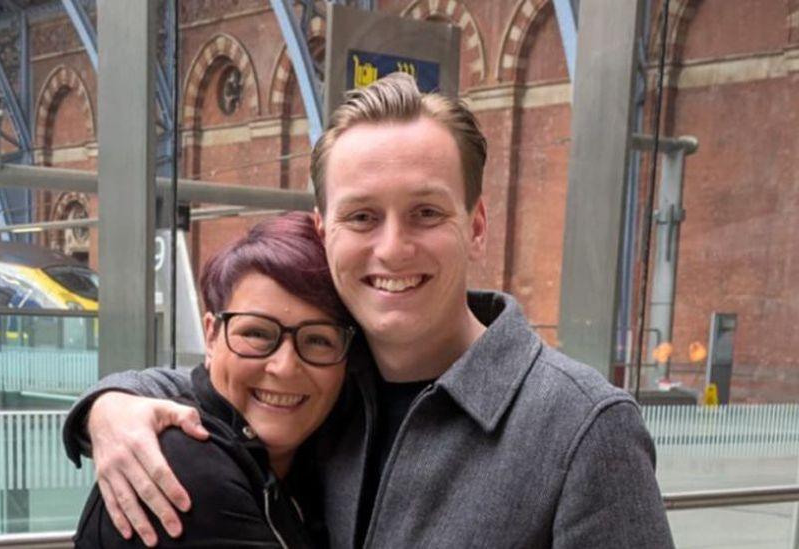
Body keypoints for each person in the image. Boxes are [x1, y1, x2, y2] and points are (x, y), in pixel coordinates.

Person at [64, 73, 675, 548]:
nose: (392, 248)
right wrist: (109, 406)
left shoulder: (582, 430)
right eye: (362, 217)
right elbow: (211, 391)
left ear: (478, 224)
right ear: (323, 229)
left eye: (426, 213)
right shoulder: (328, 383)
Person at [73, 212, 356, 547]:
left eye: (318, 340)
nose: (285, 366)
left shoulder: (309, 461)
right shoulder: (183, 469)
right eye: (257, 333)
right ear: (211, 336)